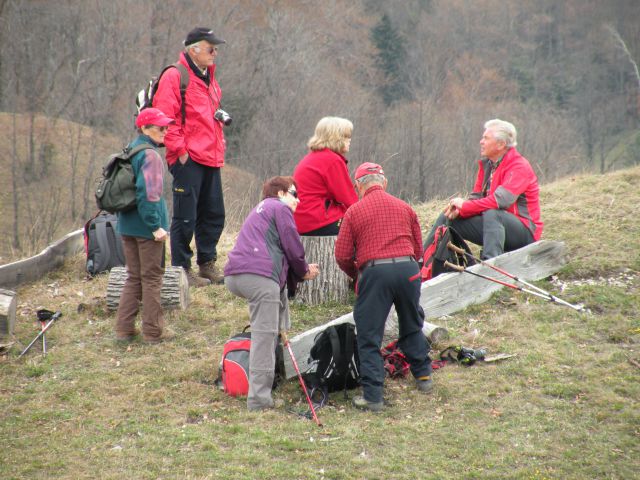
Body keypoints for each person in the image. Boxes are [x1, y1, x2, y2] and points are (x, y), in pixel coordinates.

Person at [335, 162, 433, 412]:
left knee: (369, 335)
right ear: (384, 182)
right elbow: (419, 251)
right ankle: (423, 376)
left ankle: (373, 396)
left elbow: (343, 255)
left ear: (358, 185)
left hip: (375, 272)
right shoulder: (405, 208)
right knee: (412, 322)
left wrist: (357, 276)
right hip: (409, 269)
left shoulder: (354, 212)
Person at [224, 176, 320, 411]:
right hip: (258, 277)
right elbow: (292, 246)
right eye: (294, 193)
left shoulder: (260, 210)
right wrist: (304, 269)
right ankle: (259, 400)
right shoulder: (279, 208)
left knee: (265, 330)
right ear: (280, 193)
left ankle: (259, 385)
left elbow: (279, 255)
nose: (298, 199)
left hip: (235, 276)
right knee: (263, 338)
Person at [153, 27, 228, 287]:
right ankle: (182, 269)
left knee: (214, 213)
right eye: (211, 48)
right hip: (189, 157)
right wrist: (181, 152)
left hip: (211, 155)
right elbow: (165, 119)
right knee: (186, 215)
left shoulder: (209, 77)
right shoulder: (176, 76)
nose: (215, 52)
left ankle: (207, 264)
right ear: (193, 49)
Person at [424, 118, 542, 259]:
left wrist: (466, 206)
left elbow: (501, 202)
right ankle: (425, 263)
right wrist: (460, 210)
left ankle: (490, 265)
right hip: (494, 227)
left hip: (524, 233)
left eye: (486, 138)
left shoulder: (519, 166)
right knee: (448, 217)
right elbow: (476, 198)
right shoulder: (487, 165)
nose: (481, 141)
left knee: (493, 213)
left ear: (501, 144)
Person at [115, 108, 171, 344]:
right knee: (151, 279)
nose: (165, 132)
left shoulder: (130, 149)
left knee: (134, 278)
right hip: (146, 230)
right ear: (145, 128)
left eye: (166, 127)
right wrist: (155, 226)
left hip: (127, 225)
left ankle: (124, 330)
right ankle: (152, 333)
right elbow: (148, 194)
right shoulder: (150, 156)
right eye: (160, 128)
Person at [293, 117, 358, 236]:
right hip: (317, 221)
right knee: (361, 223)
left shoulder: (313, 157)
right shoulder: (332, 160)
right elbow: (350, 200)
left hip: (300, 220)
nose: (350, 140)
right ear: (336, 138)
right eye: (346, 137)